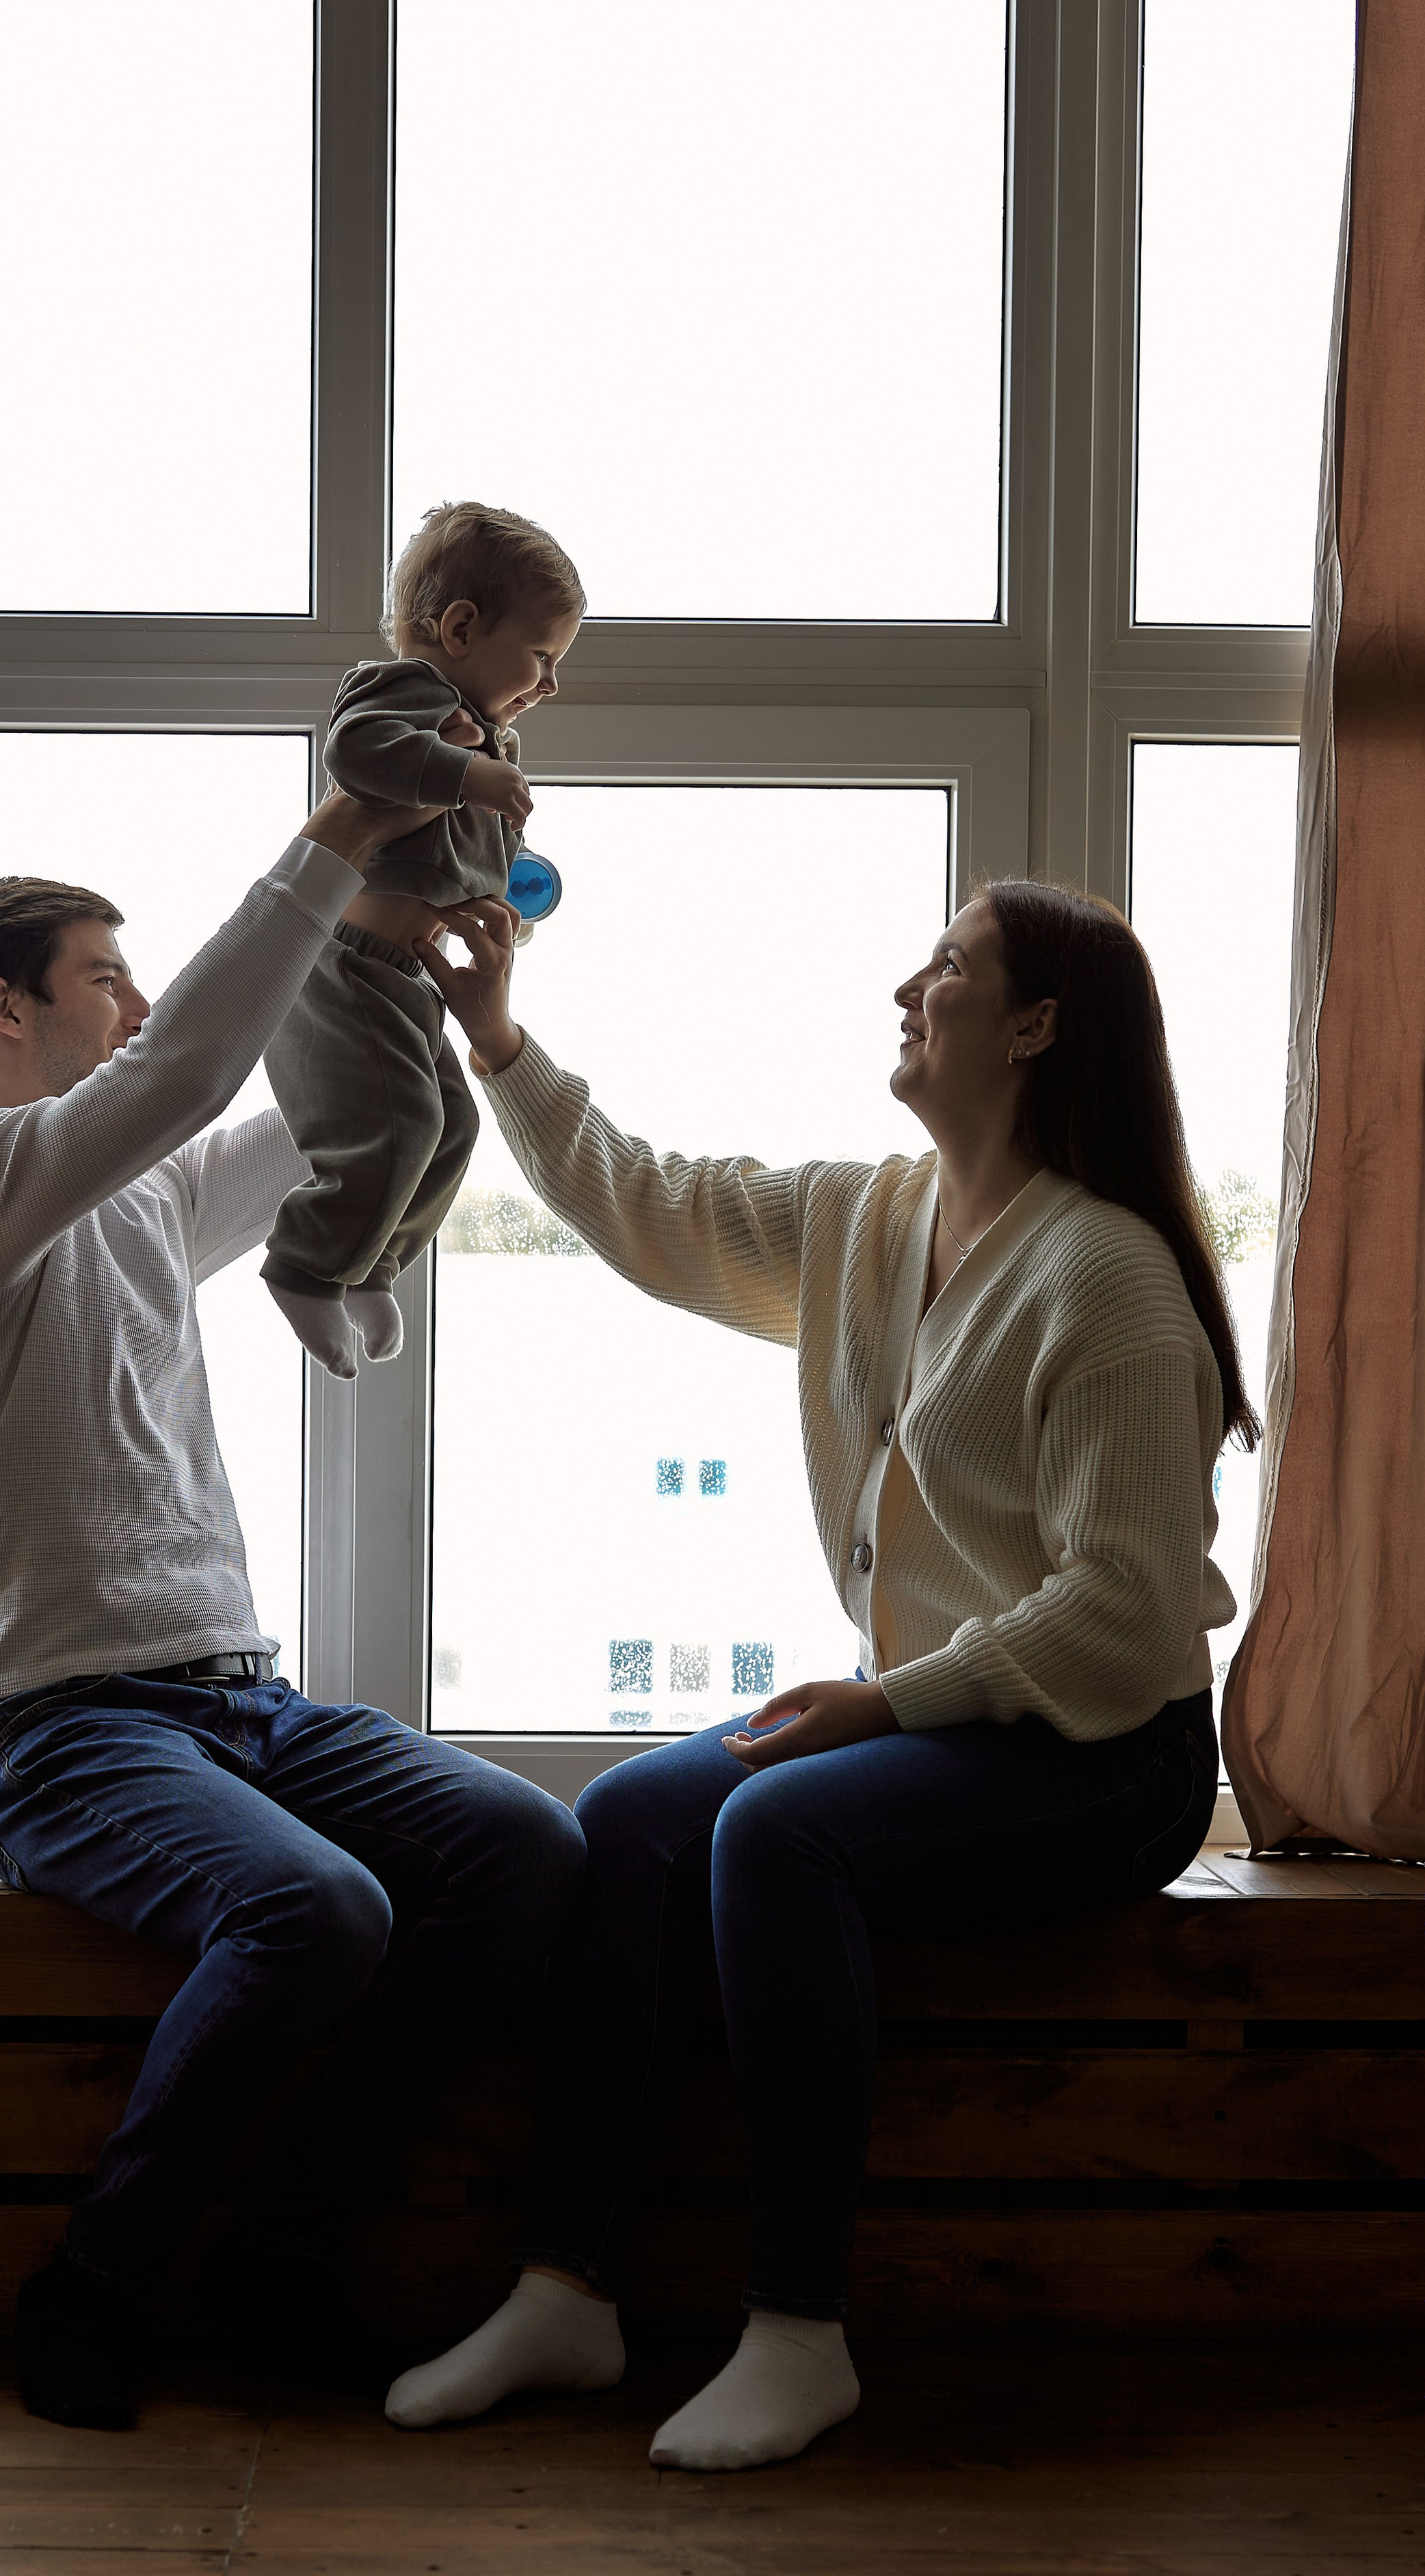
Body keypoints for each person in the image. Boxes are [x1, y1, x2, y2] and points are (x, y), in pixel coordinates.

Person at [384, 875, 1247, 2471]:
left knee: (773, 1830)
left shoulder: (1106, 1277)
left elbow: (1127, 1615)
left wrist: (884, 1700)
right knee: (638, 1811)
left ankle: (795, 2325)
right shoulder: (868, 1217)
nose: (904, 990)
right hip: (952, 1721)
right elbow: (644, 1205)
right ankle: (563, 2284)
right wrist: (496, 1039)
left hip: (1105, 1750)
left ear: (1035, 1024)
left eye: (946, 967)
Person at [0, 794, 585, 2432]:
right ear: (7, 1009)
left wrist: (420, 952)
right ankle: (102, 2281)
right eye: (100, 977)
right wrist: (335, 834)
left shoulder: (139, 1201)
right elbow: (192, 1069)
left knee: (523, 1853)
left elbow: (314, 1105)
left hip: (236, 1703)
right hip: (58, 1725)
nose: (131, 1004)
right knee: (318, 1912)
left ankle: (274, 2256)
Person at [263, 500, 584, 1378]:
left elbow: (470, 858)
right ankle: (304, 1265)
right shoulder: (406, 694)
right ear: (459, 627)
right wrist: (466, 771)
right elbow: (359, 753)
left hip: (411, 978)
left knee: (451, 1129)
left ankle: (372, 1263)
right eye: (542, 656)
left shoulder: (488, 740)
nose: (551, 683)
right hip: (351, 971)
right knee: (401, 1128)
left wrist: (505, 906)